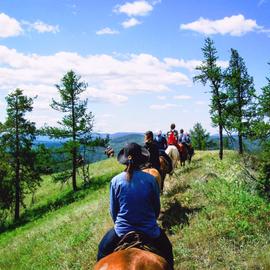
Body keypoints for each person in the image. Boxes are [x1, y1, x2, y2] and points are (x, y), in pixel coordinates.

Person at [96, 143, 174, 269]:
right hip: (149, 229)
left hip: (122, 229)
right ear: (141, 159)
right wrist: (149, 221)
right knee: (167, 250)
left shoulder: (115, 181)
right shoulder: (151, 180)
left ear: (124, 160)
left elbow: (113, 210)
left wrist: (121, 223)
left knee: (102, 251)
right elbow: (156, 208)